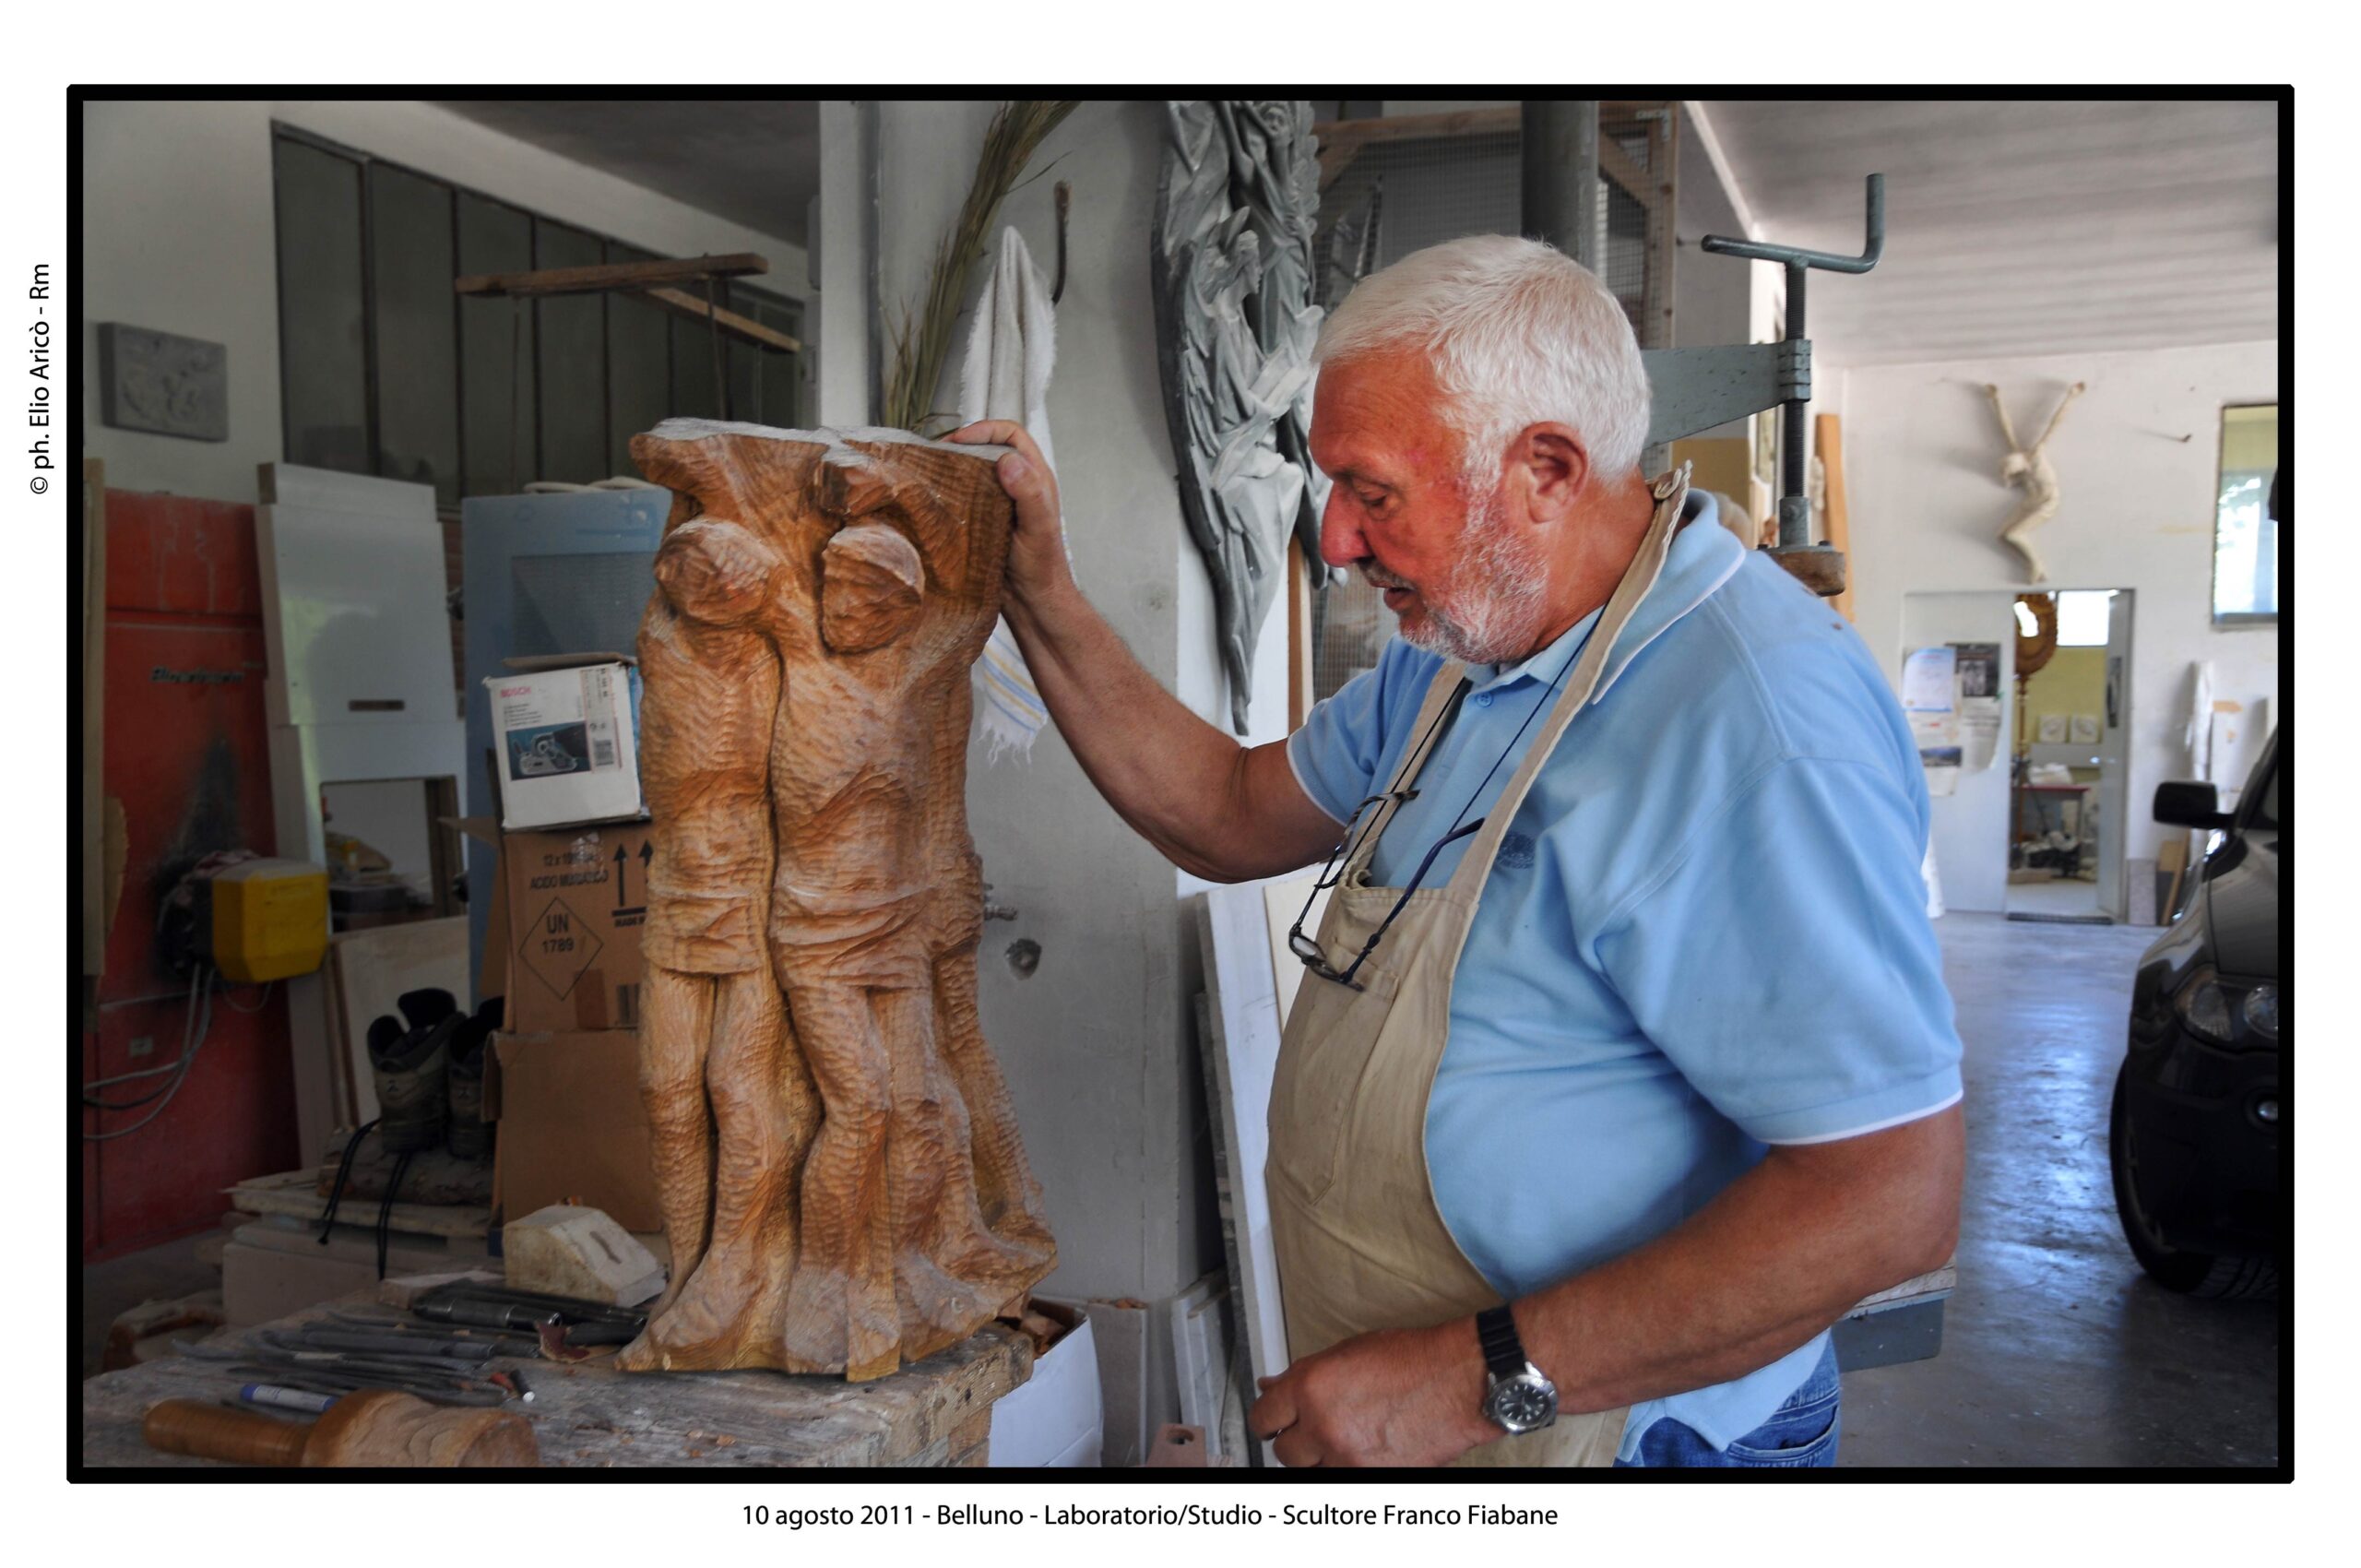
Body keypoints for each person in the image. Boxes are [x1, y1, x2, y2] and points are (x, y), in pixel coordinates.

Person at [949, 234, 1964, 1468]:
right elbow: (1222, 809)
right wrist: (1040, 592)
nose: (1333, 539)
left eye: (1371, 491)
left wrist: (1476, 1381)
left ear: (1546, 470)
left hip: (1633, 1437)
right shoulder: (1456, 661)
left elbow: (1886, 1198)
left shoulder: (1754, 724)